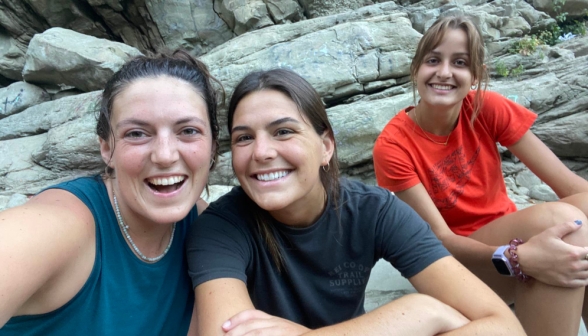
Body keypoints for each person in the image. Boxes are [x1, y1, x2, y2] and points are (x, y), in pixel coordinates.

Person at [186, 68, 525, 336]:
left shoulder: (373, 211)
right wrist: (423, 314)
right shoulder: (221, 229)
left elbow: (503, 326)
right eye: (244, 138)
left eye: (283, 131)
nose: (261, 152)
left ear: (326, 146)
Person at [373, 15, 588, 336]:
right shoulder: (393, 145)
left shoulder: (486, 108)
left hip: (508, 237)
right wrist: (517, 257)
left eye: (459, 62)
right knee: (563, 222)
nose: (444, 72)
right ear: (416, 69)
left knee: (582, 215)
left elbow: (570, 185)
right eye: (433, 60)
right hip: (456, 267)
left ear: (475, 75)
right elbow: (440, 240)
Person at [0, 50, 219, 335]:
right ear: (106, 149)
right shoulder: (56, 226)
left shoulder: (206, 228)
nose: (165, 155)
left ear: (213, 146)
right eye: (137, 134)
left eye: (188, 130)